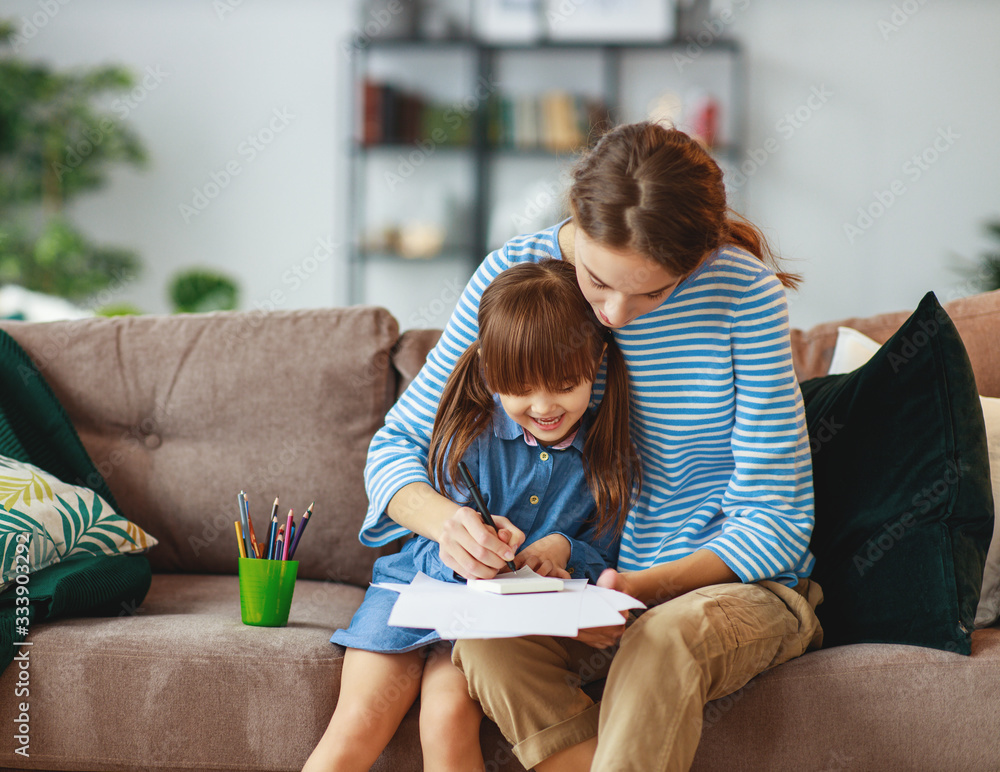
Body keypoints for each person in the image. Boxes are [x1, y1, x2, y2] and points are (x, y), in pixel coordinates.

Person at [360, 121, 824, 772]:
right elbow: (396, 446)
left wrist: (640, 589)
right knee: (487, 649)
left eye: (653, 292)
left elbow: (776, 520)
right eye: (597, 280)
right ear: (577, 222)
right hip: (599, 590)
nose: (614, 316)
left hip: (729, 587)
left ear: (695, 261)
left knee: (660, 640)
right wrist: (449, 524)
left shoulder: (744, 295)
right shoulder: (519, 278)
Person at [302, 259, 642, 772]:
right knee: (353, 729)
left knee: (445, 717)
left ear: (596, 362)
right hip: (415, 593)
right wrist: (464, 537)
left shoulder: (611, 449)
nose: (544, 405)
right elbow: (430, 532)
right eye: (521, 388)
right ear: (490, 371)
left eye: (566, 383)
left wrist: (565, 551)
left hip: (493, 629)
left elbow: (612, 550)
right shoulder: (469, 428)